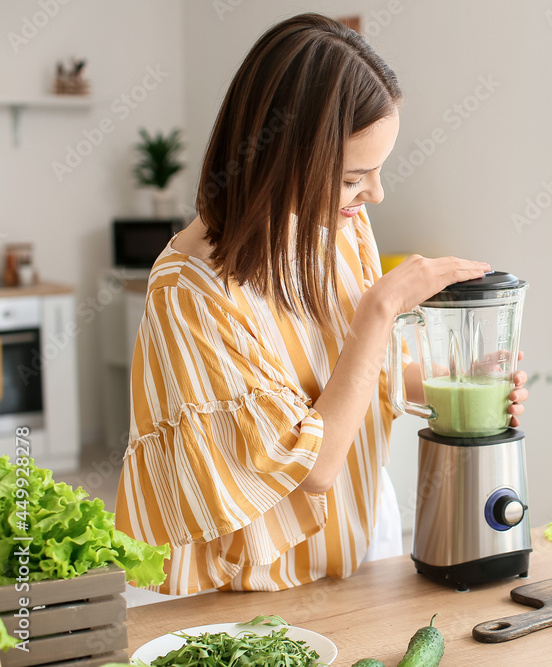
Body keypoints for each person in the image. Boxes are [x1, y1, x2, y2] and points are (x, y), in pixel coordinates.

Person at [115, 13, 528, 595]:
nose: (375, 195)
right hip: (256, 586)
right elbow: (311, 465)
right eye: (353, 178)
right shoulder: (189, 291)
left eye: (378, 172)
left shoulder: (336, 227)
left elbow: (355, 376)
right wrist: (381, 308)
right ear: (278, 158)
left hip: (361, 544)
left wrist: (455, 382)